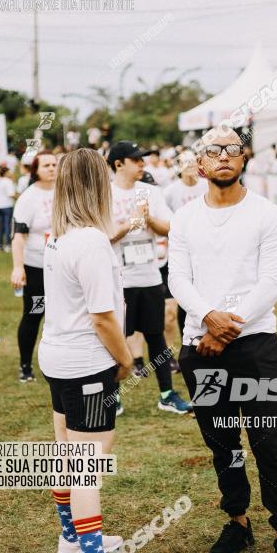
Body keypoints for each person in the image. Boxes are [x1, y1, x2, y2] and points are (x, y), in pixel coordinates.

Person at [169, 127, 277, 553]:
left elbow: (272, 283)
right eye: (213, 150)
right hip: (200, 345)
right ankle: (238, 522)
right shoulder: (185, 218)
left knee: (269, 441)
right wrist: (208, 316)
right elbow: (178, 280)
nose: (223, 156)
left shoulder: (267, 215)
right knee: (222, 442)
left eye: (231, 148)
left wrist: (225, 328)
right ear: (200, 163)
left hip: (254, 344)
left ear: (243, 158)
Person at [38, 148, 152, 553]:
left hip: (60, 358)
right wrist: (126, 362)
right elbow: (104, 318)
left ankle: (72, 540)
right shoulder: (89, 242)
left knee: (69, 456)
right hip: (85, 363)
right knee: (88, 469)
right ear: (96, 185)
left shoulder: (62, 236)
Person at [108, 141, 191, 414]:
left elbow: (170, 228)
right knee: (118, 337)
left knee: (157, 338)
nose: (142, 163)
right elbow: (105, 234)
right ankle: (113, 397)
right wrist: (132, 222)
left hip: (150, 276)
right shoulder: (104, 193)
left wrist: (149, 221)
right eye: (136, 159)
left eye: (142, 158)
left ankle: (167, 394)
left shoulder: (151, 192)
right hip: (118, 279)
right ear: (118, 164)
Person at [11, 151, 57, 383]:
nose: (51, 168)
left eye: (54, 164)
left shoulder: (65, 192)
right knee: (35, 313)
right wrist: (18, 268)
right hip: (37, 267)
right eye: (46, 165)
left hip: (63, 268)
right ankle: (25, 365)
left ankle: (57, 365)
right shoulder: (29, 197)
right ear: (36, 170)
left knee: (61, 316)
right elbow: (18, 237)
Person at [163, 150, 208, 368]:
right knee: (174, 308)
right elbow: (164, 221)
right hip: (179, 254)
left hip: (205, 254)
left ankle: (196, 345)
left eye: (193, 162)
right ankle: (172, 354)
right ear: (178, 166)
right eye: (185, 162)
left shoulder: (206, 187)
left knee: (199, 301)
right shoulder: (171, 192)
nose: (189, 166)